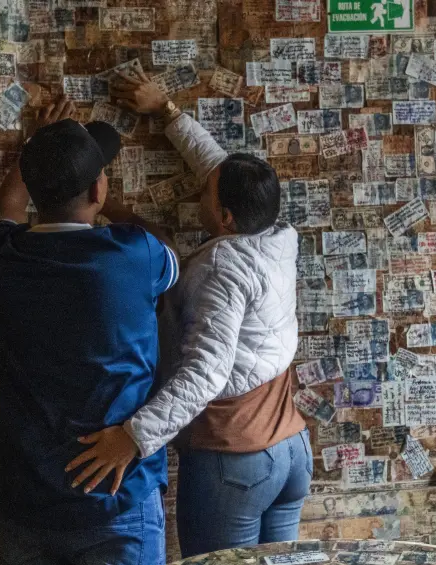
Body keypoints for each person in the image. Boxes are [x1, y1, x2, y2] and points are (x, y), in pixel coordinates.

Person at [67, 70, 312, 557]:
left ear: (224, 219)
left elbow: (206, 372)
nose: (201, 191)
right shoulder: (275, 233)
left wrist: (134, 438)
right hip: (290, 452)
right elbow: (220, 168)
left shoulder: (222, 268)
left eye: (206, 194)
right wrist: (166, 111)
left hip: (239, 462)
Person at [0, 96, 179, 565]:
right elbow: (166, 246)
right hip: (117, 504)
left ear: (33, 187)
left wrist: (37, 146)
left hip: (28, 501)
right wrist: (115, 206)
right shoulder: (136, 255)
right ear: (97, 190)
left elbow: (6, 206)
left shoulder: (1, 256)